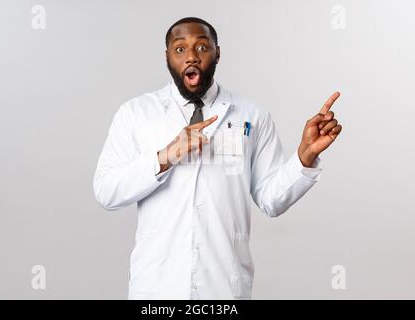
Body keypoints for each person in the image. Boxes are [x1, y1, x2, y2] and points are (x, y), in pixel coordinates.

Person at [93, 17, 343, 299]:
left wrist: (304, 156)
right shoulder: (136, 114)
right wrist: (165, 157)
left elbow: (271, 201)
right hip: (157, 288)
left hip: (223, 289)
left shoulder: (251, 115)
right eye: (179, 49)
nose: (191, 56)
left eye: (202, 47)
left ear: (217, 52)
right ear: (167, 57)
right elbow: (106, 190)